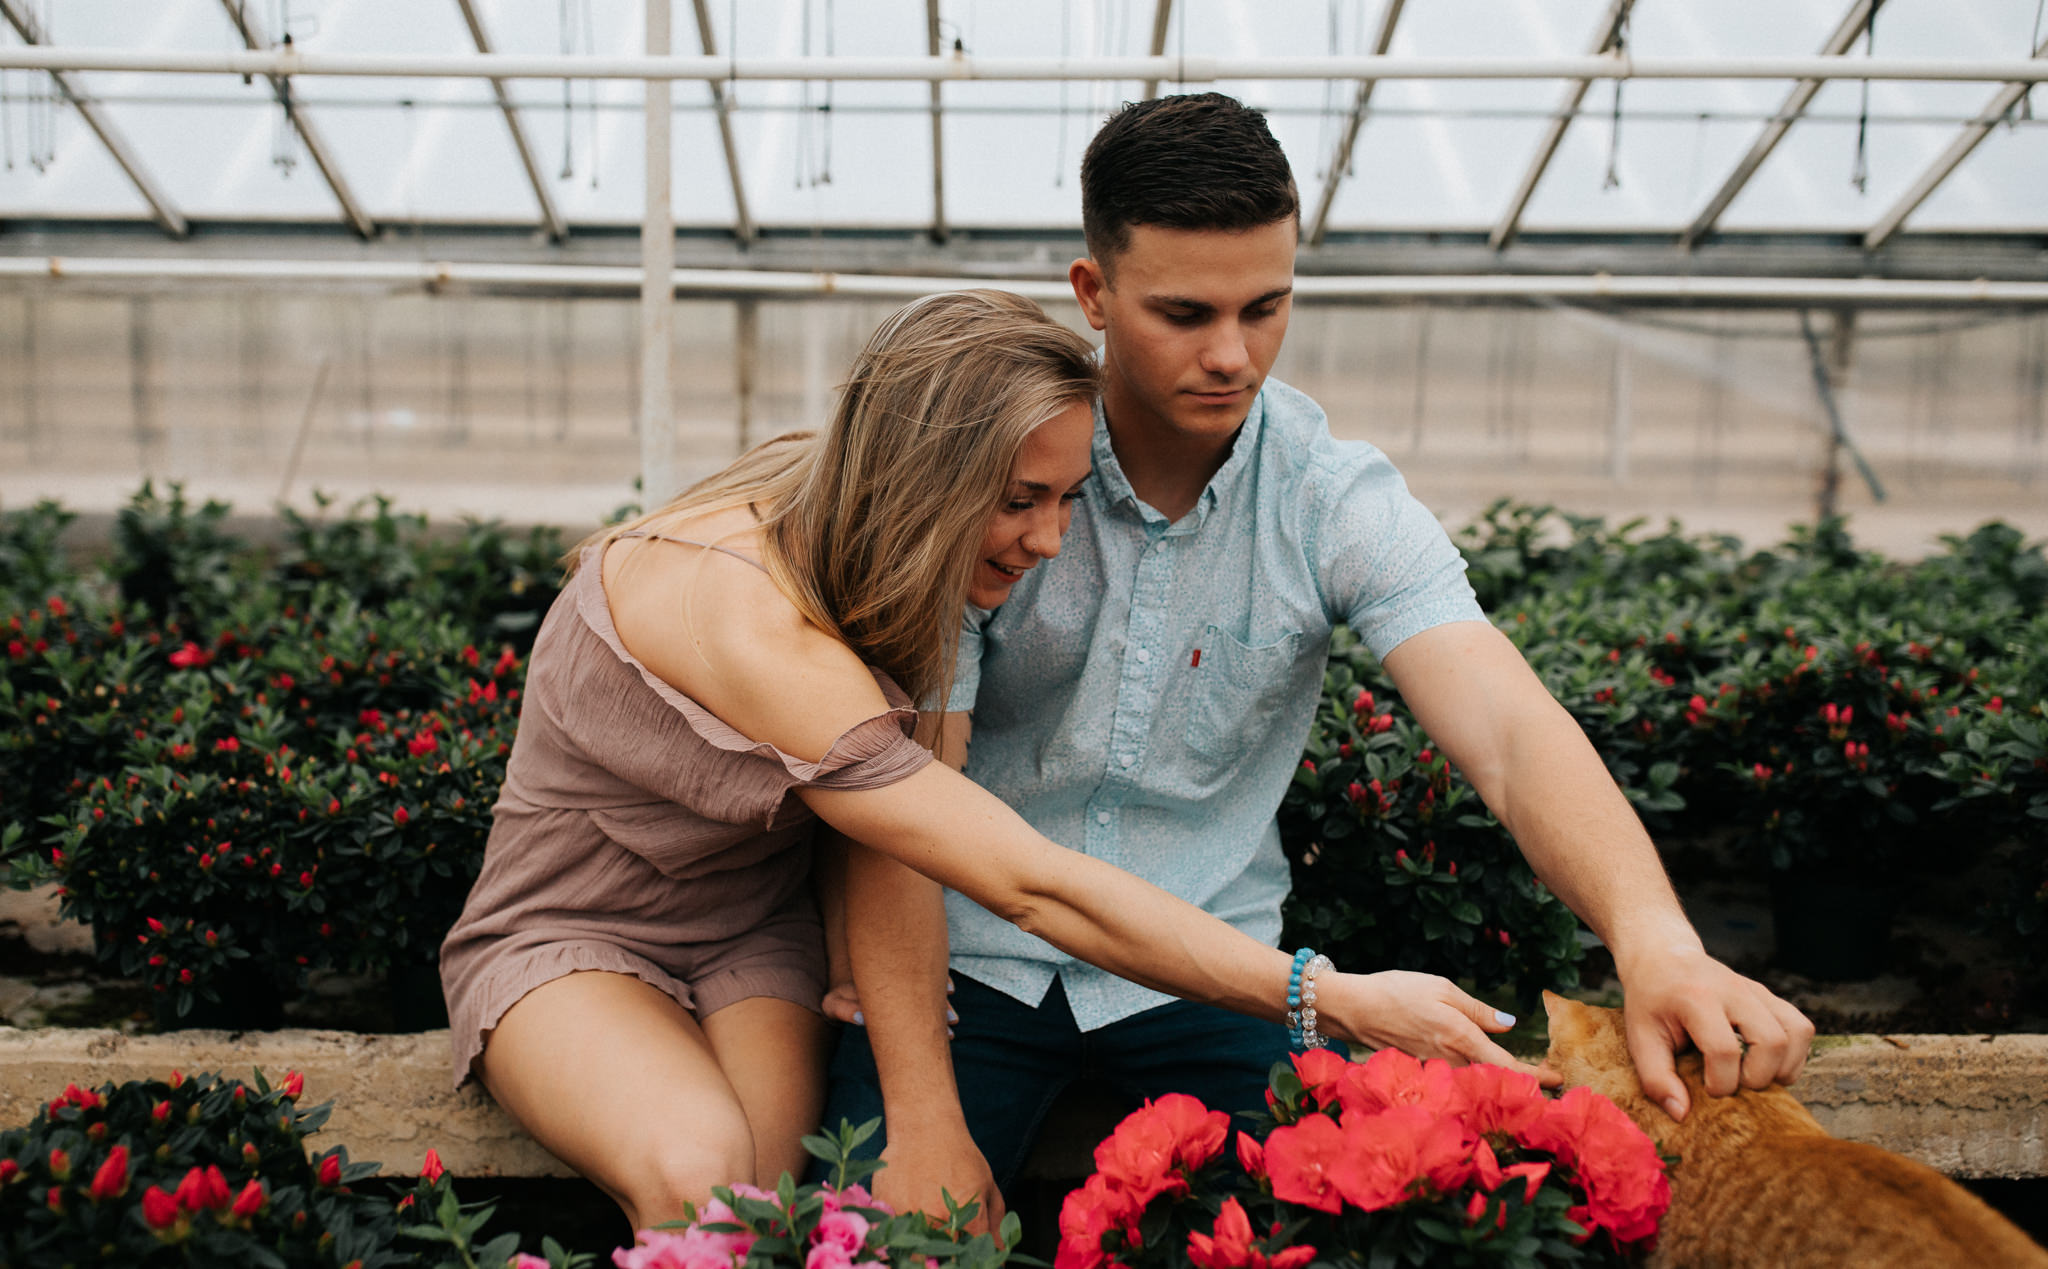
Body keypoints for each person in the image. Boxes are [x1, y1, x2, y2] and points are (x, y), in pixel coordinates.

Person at [820, 95, 1818, 1230]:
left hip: (1207, 975)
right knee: (879, 1237)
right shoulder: (995, 475)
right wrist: (920, 1115)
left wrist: (1656, 945)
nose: (1230, 353)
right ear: (1091, 293)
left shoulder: (1327, 495)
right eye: (1183, 313)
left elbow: (1503, 729)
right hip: (960, 967)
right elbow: (905, 800)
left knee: (1316, 1238)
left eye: (1266, 306)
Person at [439, 288, 1538, 1232]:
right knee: (699, 1180)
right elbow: (1025, 879)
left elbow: (893, 824)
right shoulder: (747, 617)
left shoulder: (855, 523)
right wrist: (1321, 994)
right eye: (1020, 500)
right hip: (579, 929)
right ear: (920, 478)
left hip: (753, 933)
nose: (1053, 539)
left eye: (1066, 496)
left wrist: (840, 947)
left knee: (777, 1213)